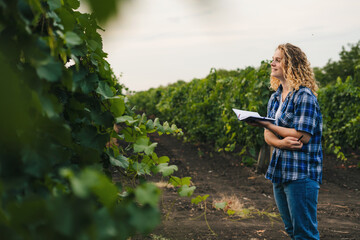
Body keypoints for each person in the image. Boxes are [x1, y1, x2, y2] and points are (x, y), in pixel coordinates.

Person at [249, 43, 323, 240]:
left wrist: (268, 125)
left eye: (277, 60)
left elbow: (302, 135)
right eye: (273, 59)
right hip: (279, 171)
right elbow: (267, 135)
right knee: (292, 230)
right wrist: (280, 142)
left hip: (301, 173)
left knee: (304, 234)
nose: (272, 63)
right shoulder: (275, 98)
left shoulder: (304, 96)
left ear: (291, 64)